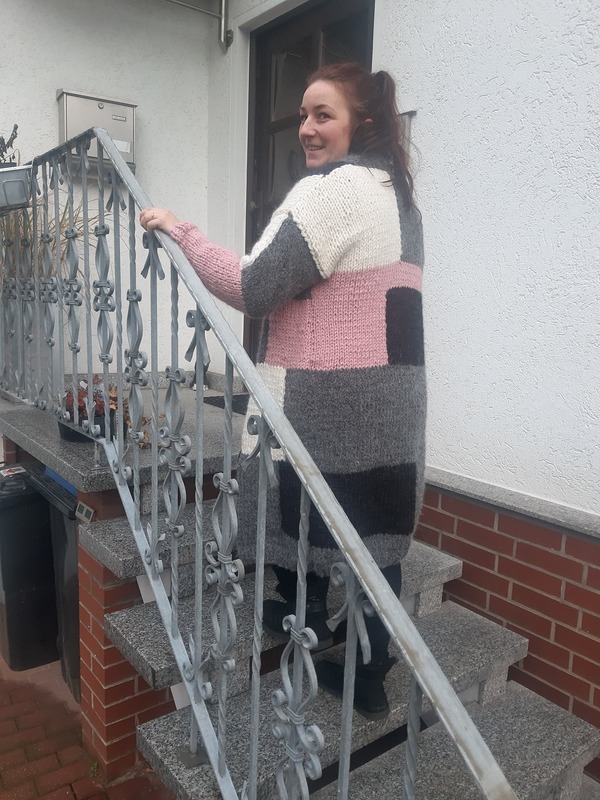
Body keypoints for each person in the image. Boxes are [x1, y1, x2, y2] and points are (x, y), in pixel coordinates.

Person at [140, 62, 426, 720]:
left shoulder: (334, 190)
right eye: (302, 115)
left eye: (323, 114)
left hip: (327, 395)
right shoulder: (400, 196)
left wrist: (180, 230)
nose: (306, 128)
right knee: (371, 526)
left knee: (297, 496)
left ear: (363, 123)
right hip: (390, 401)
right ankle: (368, 669)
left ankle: (306, 616)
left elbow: (255, 285)